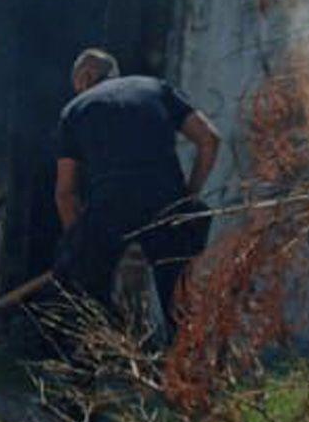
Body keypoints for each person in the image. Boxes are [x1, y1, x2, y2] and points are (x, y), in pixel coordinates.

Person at [53, 48, 220, 335]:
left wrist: (79, 245)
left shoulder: (74, 110)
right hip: (166, 200)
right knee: (179, 300)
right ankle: (187, 373)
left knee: (84, 292)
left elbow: (65, 193)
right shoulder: (156, 88)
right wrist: (188, 197)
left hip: (109, 206)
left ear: (86, 76)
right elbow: (209, 140)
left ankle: (98, 361)